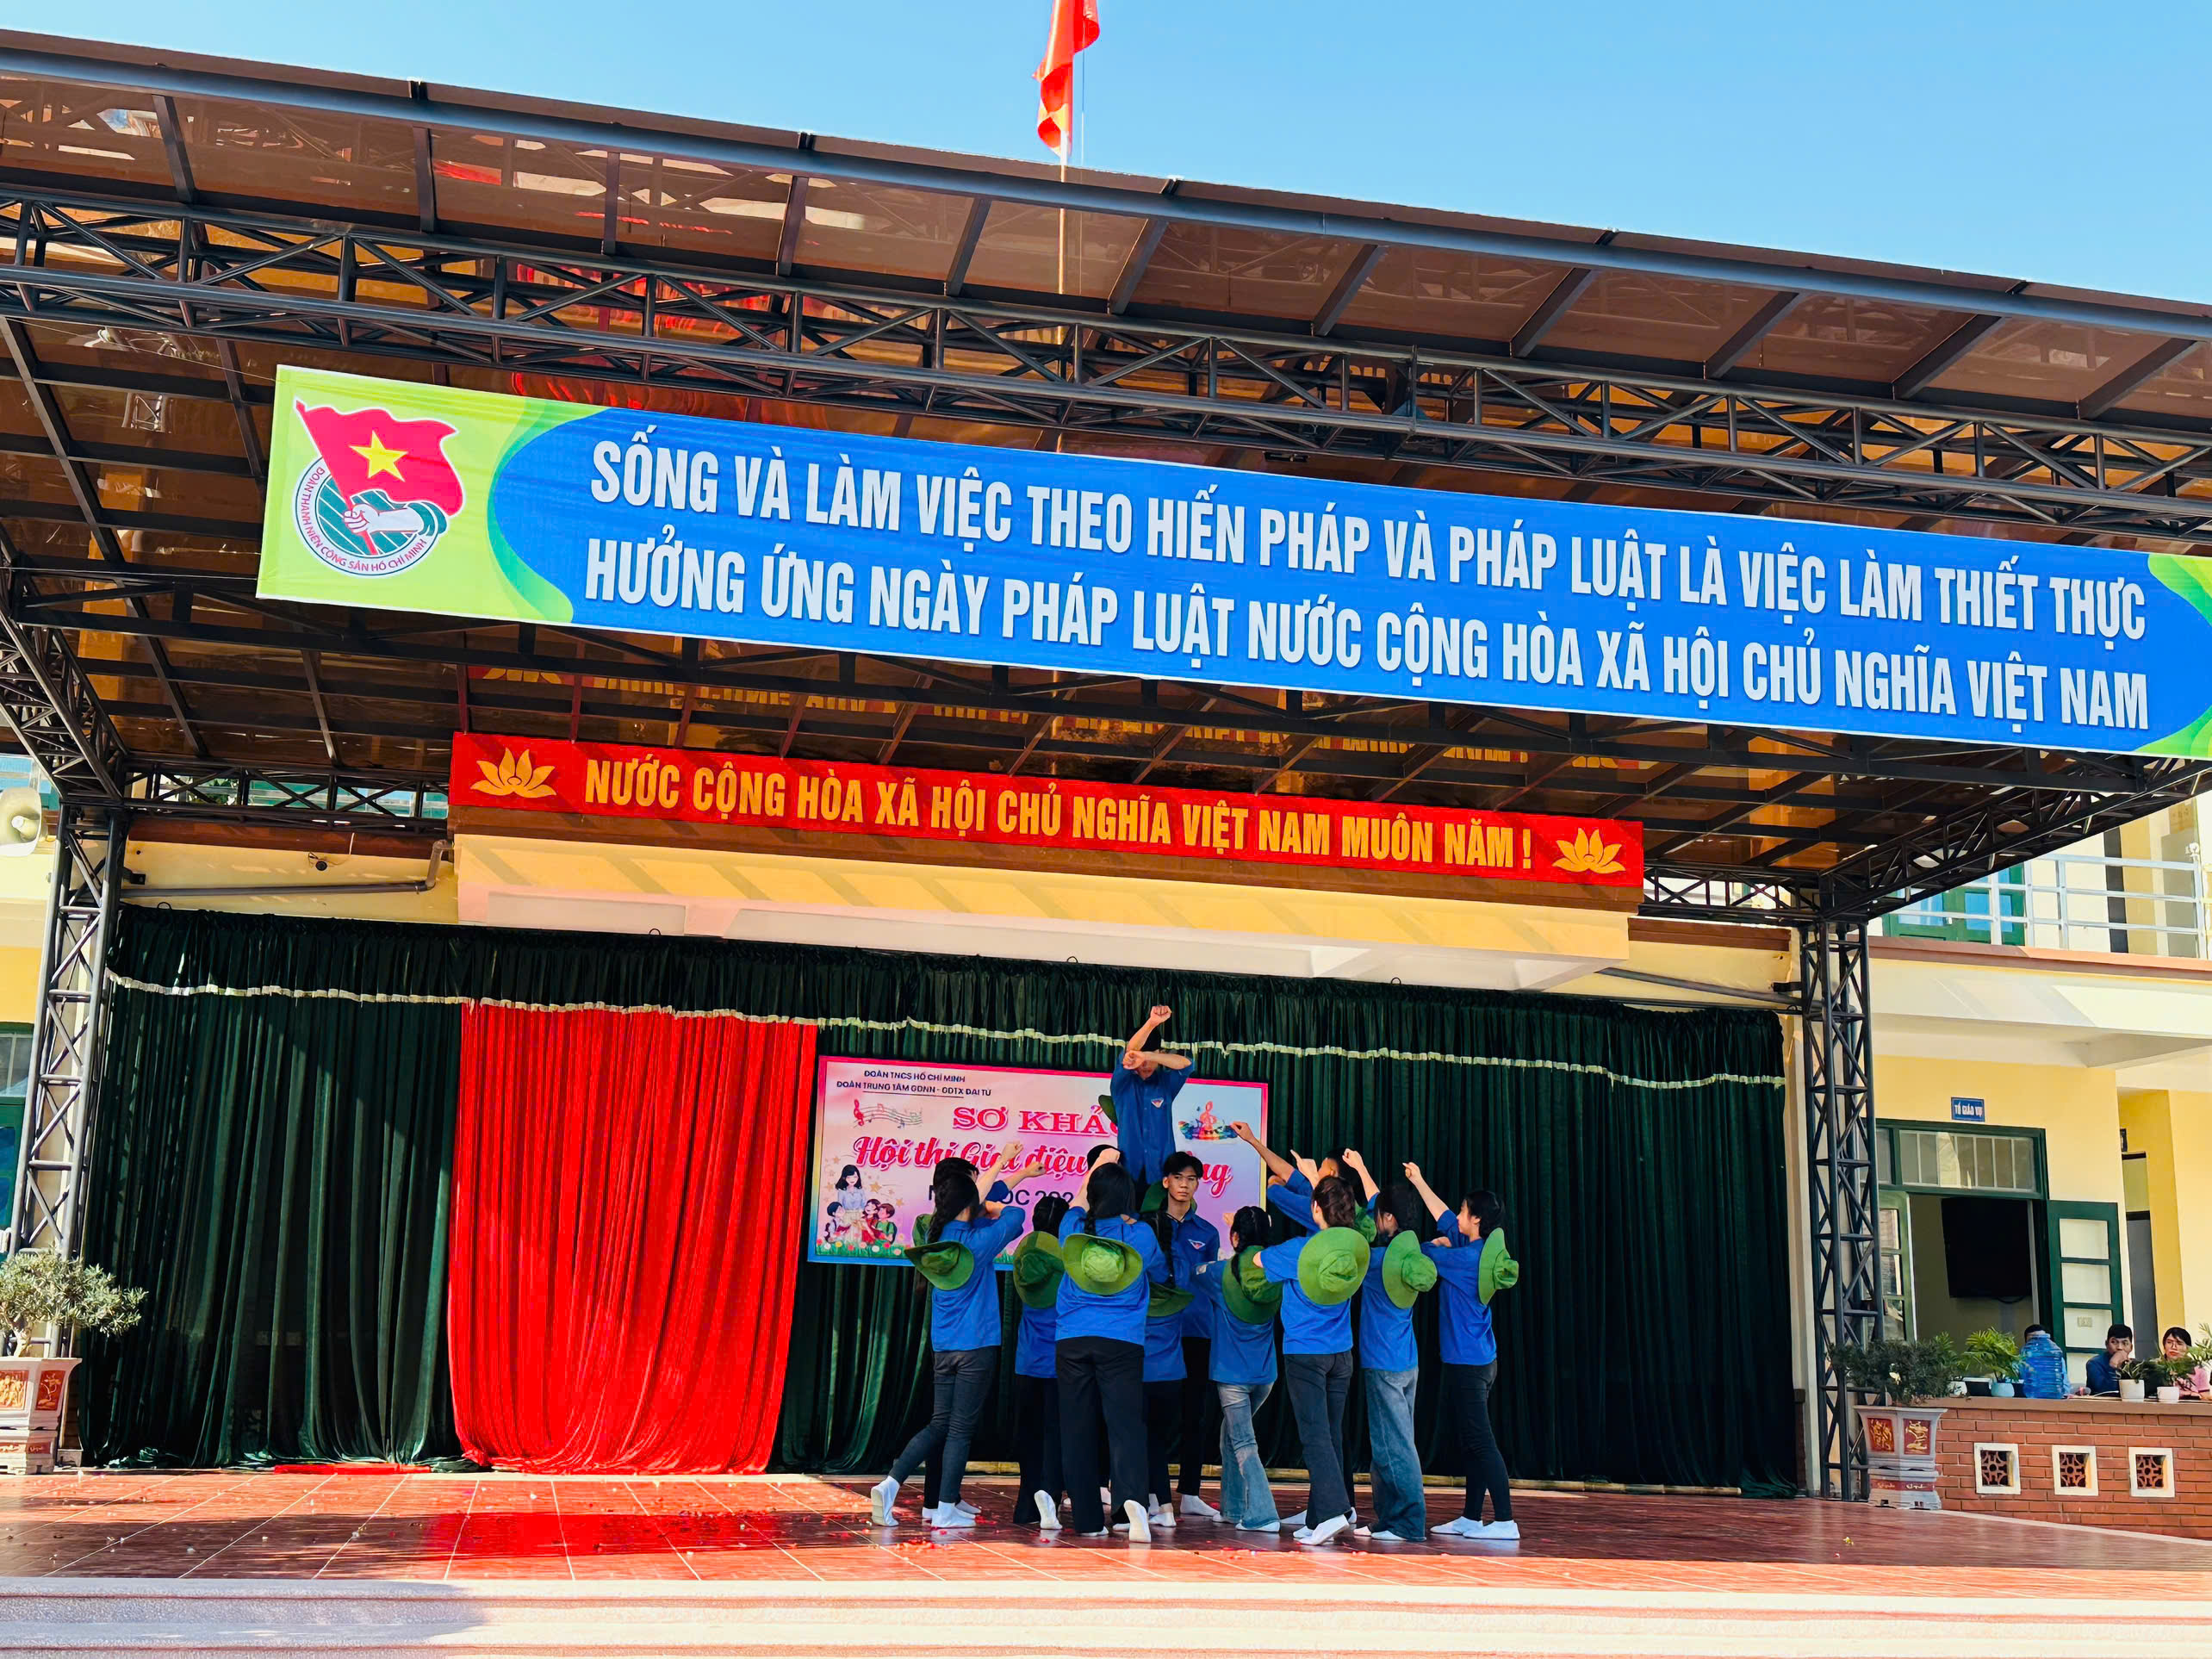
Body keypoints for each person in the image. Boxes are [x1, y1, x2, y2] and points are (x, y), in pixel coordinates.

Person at [870, 1142, 1038, 1528]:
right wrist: (992, 1207)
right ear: (970, 1202)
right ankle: (944, 1506)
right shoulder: (977, 1243)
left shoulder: (939, 1234)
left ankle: (893, 1483)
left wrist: (985, 1200)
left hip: (944, 1345)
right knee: (960, 1429)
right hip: (976, 1345)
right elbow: (1017, 1216)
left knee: (940, 1423)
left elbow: (982, 1209)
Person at [1054, 1150, 1168, 1542]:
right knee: (1126, 1428)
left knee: (1077, 1429)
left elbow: (1077, 1200)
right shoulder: (1141, 1235)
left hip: (1072, 1339)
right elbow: (1160, 1271)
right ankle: (1128, 1510)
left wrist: (1093, 1170)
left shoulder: (1072, 1228)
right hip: (1122, 1341)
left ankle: (1087, 1520)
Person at [1252, 1174, 1369, 1547]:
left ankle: (1333, 1512)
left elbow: (1257, 1259)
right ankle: (1323, 1515)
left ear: (1316, 1209)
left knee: (1315, 1435)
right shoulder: (1352, 1250)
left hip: (1306, 1352)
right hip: (1342, 1353)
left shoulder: (1300, 1250)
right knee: (1331, 1433)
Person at [1404, 1162, 1518, 1541]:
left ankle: (1505, 1520)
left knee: (1481, 1441)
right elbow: (1443, 1216)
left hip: (1469, 1364)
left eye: (1465, 1210)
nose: (1459, 1214)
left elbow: (1420, 1254)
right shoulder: (1474, 1247)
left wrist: (1435, 1245)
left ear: (1477, 1219)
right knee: (1472, 1440)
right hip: (1478, 1359)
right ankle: (1471, 1517)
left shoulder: (1467, 1259)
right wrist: (1420, 1180)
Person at [1351, 1168, 1436, 1543]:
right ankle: (1388, 1518)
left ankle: (1407, 1523)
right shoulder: (1410, 1256)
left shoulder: (1378, 1262)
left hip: (1382, 1362)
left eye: (1378, 1216)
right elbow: (1379, 1204)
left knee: (1394, 1446)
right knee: (1390, 1442)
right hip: (1406, 1360)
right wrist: (1362, 1169)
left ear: (1388, 1218)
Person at [1186, 1205, 1283, 1531]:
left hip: (1232, 1377)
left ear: (1236, 1237)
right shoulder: (1276, 1272)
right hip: (1265, 1375)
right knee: (1230, 1436)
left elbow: (1194, 1272)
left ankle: (1263, 1514)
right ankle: (1233, 1508)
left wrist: (1231, 1245)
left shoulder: (1220, 1273)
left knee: (1243, 1442)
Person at [1150, 1150, 1223, 1522]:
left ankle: (1190, 1492)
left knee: (1196, 1413)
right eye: (1178, 1177)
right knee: (1156, 1414)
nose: (1184, 1185)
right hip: (1159, 1331)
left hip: (1197, 1330)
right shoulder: (1148, 1226)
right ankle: (1153, 1491)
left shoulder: (1207, 1232)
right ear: (1166, 1181)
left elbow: (1209, 1280)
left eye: (1191, 1179)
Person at [1010, 1193, 1072, 1531]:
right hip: (1058, 1362)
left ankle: (1025, 1506)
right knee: (1054, 1436)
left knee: (1029, 1438)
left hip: (1026, 1362)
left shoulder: (1023, 1256)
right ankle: (1049, 1501)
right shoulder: (1065, 1263)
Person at [1109, 1006, 1194, 1189]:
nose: (1145, 1064)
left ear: (1160, 1054)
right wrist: (1152, 1023)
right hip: (1129, 1171)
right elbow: (1130, 1052)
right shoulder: (1122, 1083)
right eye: (1139, 1058)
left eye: (1151, 1058)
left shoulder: (1166, 1083)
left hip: (1163, 1173)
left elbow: (1187, 1065)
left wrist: (1147, 1055)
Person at [2016, 1323, 2070, 1400]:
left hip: (2054, 1400)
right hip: (2028, 1401)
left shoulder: (2055, 1359)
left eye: (2041, 1340)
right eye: (2032, 1341)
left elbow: (2065, 1387)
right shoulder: (2018, 1361)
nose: (2037, 1344)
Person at [2084, 1324, 2132, 1396]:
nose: (2119, 1347)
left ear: (2131, 1347)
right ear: (2107, 1344)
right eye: (2114, 1342)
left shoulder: (2135, 1367)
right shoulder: (2094, 1364)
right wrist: (2113, 1366)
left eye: (2125, 1343)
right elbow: (2107, 1392)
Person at [2161, 1327, 2209, 1398]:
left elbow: (2205, 1397)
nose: (2173, 1347)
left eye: (2179, 1343)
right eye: (2169, 1342)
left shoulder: (2198, 1370)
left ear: (2188, 1348)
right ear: (2164, 1346)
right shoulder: (2154, 1366)